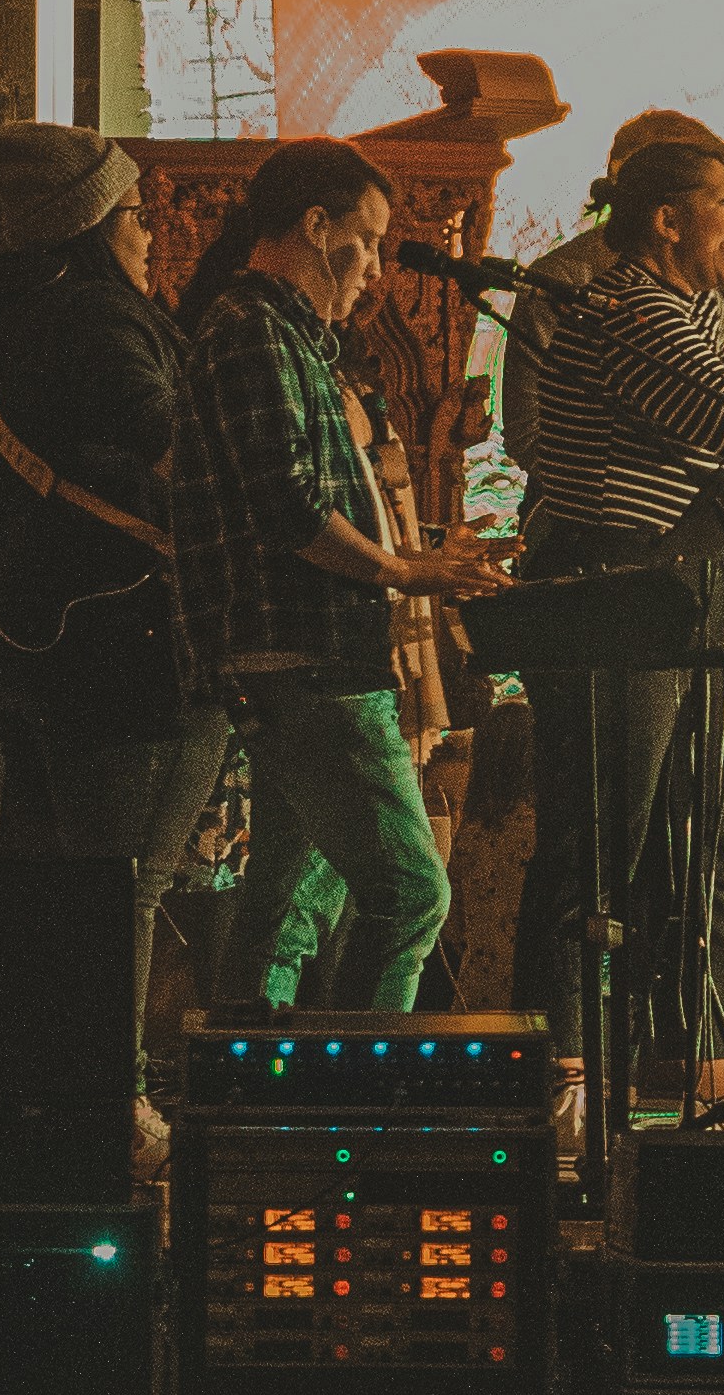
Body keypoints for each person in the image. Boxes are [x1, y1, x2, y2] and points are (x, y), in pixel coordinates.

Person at [497, 129, 724, 1086]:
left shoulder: (683, 307)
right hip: (610, 591)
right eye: (723, 200)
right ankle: (551, 1063)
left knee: (683, 830)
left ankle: (671, 1055)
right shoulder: (629, 305)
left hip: (665, 585)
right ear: (667, 219)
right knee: (597, 839)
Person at [172, 144, 496, 1013]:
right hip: (302, 660)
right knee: (412, 894)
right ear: (316, 227)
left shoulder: (291, 337)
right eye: (372, 240)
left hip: (311, 657)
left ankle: (255, 1109)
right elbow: (286, 506)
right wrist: (405, 569)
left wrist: (418, 559)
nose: (378, 270)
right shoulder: (251, 328)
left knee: (287, 906)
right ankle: (358, 1102)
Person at [0, 123, 210, 1128]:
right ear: (94, 223)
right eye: (137, 210)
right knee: (126, 886)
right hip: (125, 639)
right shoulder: (99, 319)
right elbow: (176, 445)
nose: (152, 229)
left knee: (55, 887)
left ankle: (38, 1093)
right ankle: (113, 1102)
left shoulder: (7, 312)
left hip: (29, 631)